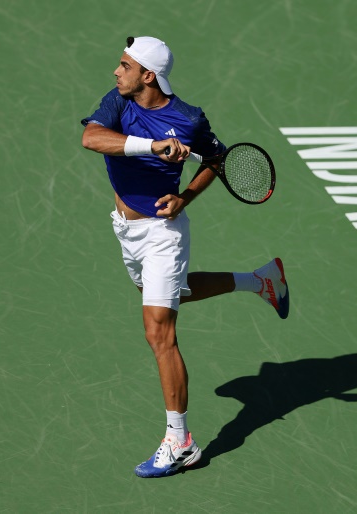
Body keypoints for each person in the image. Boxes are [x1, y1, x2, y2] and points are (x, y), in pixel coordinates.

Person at [80, 36, 290, 478]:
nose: (116, 72)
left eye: (124, 65)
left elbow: (216, 159)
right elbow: (92, 138)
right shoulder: (118, 102)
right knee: (163, 294)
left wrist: (184, 199)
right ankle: (262, 280)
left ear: (147, 75)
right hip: (126, 230)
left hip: (162, 234)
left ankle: (180, 441)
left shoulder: (189, 119)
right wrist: (152, 146)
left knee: (159, 332)